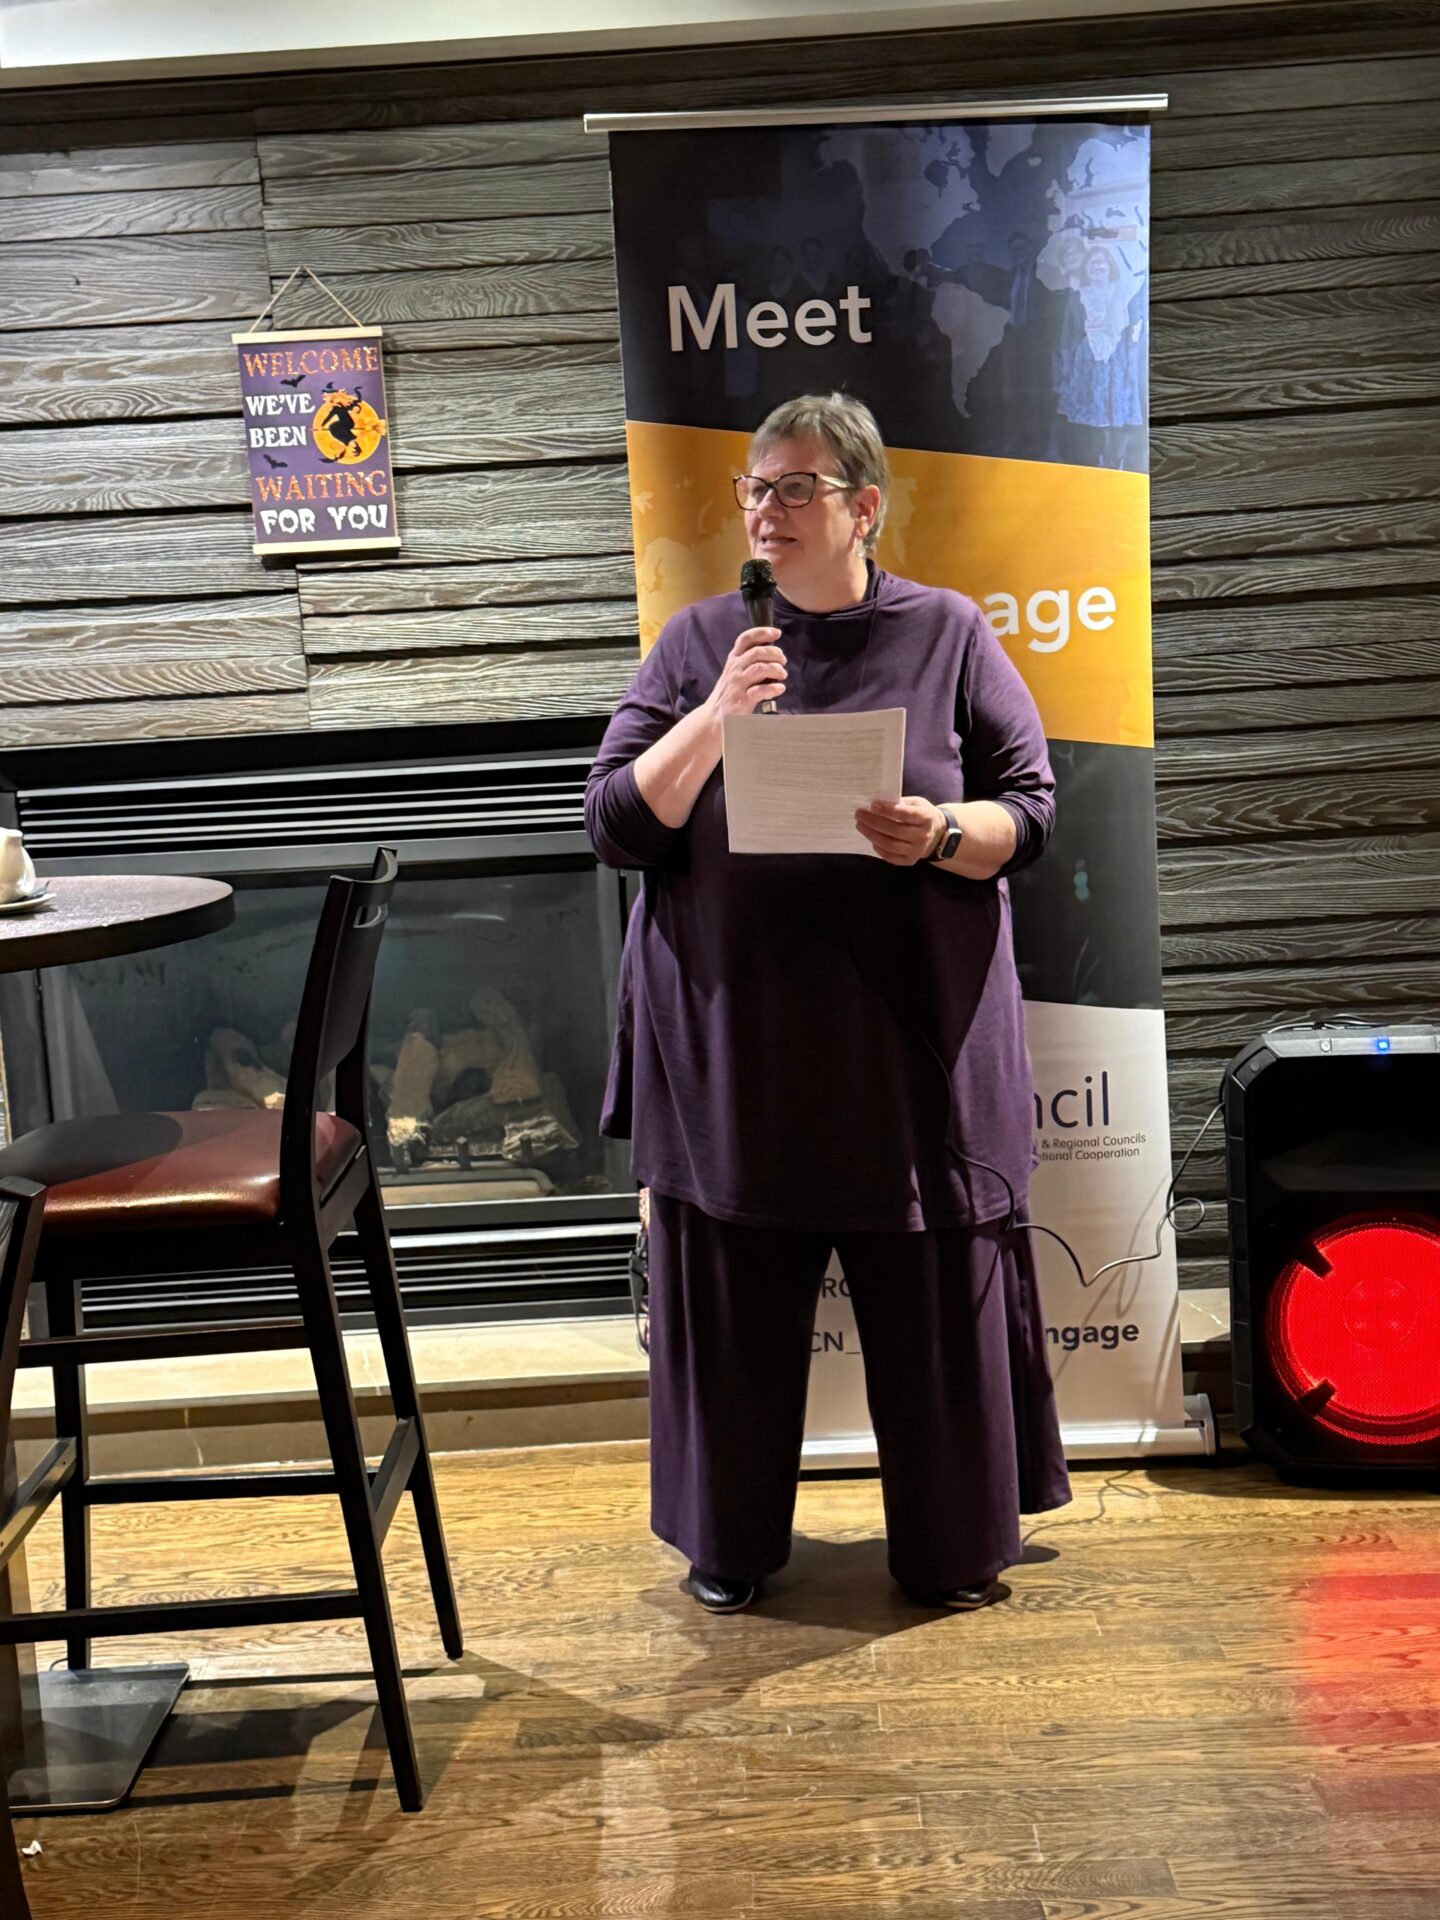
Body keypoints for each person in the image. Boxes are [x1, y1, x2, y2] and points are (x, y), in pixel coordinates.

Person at [585, 391, 1070, 1616]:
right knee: (733, 1306)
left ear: (865, 507)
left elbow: (1030, 809)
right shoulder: (700, 644)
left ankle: (954, 1543)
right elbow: (615, 823)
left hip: (909, 1047)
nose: (767, 509)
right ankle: (730, 1540)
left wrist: (941, 831)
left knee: (932, 1307)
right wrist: (713, 718)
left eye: (796, 487)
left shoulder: (947, 631)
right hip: (735, 1049)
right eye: (755, 488)